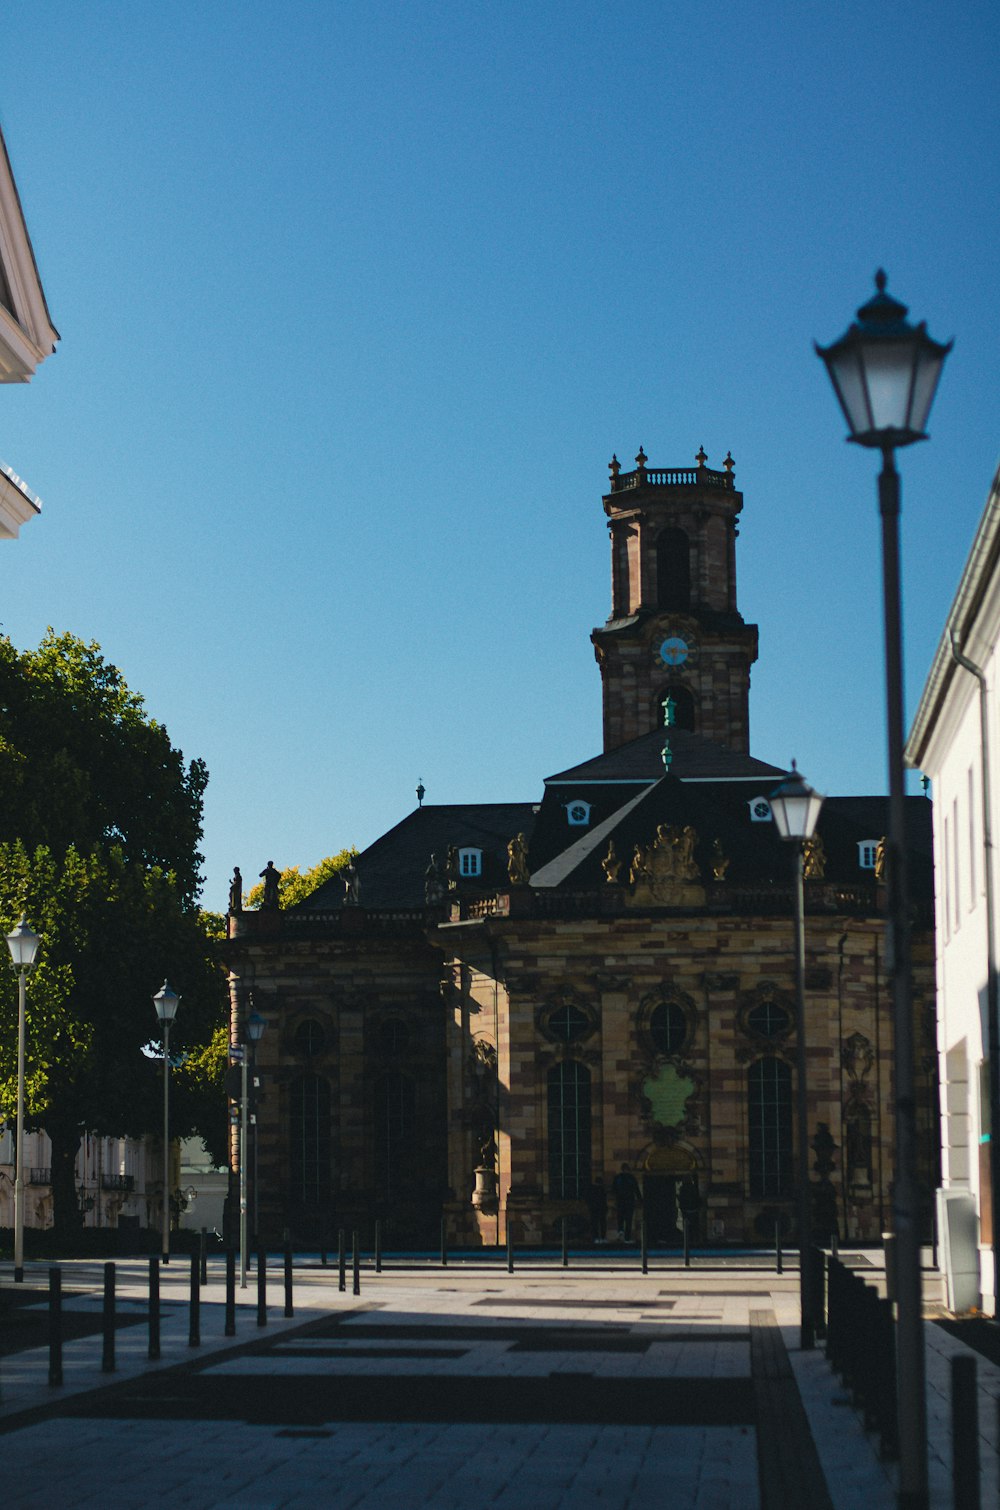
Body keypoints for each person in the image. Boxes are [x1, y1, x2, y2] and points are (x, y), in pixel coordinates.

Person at [612, 1163, 642, 1241]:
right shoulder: (631, 1178)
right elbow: (636, 1190)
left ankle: (620, 1231)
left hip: (620, 1201)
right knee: (628, 1220)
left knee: (620, 1218)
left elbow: (613, 1190)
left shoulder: (617, 1178)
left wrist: (615, 1200)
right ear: (628, 1169)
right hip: (629, 1202)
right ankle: (627, 1238)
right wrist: (640, 1200)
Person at [586, 1177, 607, 1242]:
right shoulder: (602, 1190)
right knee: (602, 1223)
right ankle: (602, 1238)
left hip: (593, 1209)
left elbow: (588, 1199)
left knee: (594, 1223)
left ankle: (596, 1237)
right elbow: (604, 1200)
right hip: (601, 1208)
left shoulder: (590, 1190)